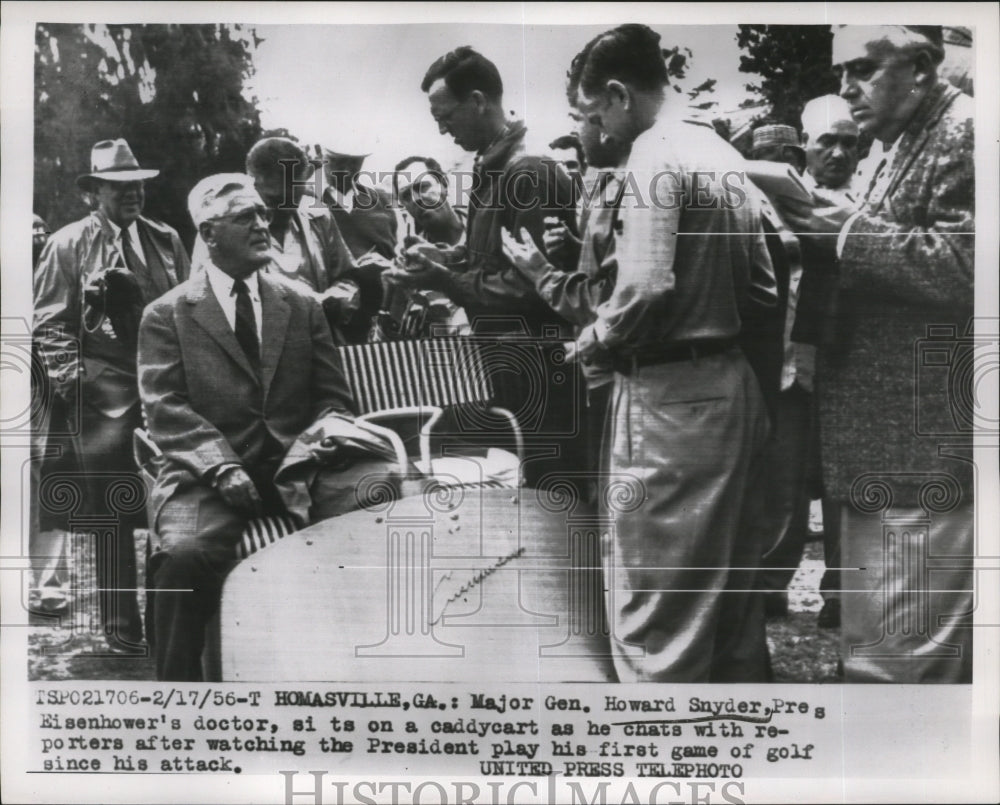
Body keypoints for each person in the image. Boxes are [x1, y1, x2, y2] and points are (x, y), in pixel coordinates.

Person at [564, 24, 777, 682]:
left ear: (620, 95)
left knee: (657, 617)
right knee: (732, 612)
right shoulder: (718, 150)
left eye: (591, 110)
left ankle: (657, 767)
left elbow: (648, 284)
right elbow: (768, 280)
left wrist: (594, 337)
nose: (593, 127)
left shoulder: (654, 155)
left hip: (665, 404)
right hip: (731, 388)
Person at [779, 25, 974, 682]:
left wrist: (847, 234)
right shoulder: (896, 144)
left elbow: (970, 266)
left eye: (862, 69)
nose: (846, 87)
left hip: (922, 446)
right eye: (841, 73)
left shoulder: (967, 133)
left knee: (898, 663)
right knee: (876, 654)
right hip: (885, 442)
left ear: (920, 68)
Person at [137, 174, 371, 681]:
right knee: (183, 556)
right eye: (247, 216)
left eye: (264, 213)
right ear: (209, 232)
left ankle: (358, 678)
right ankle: (177, 703)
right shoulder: (167, 313)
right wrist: (221, 466)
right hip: (208, 480)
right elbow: (166, 409)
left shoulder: (302, 303)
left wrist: (313, 448)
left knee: (381, 513)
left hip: (301, 470)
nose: (264, 224)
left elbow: (335, 400)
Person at [388, 45, 583, 488]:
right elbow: (489, 260)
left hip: (543, 370)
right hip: (516, 368)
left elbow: (537, 288)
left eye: (446, 115)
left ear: (478, 101)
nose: (441, 128)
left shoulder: (527, 171)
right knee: (532, 492)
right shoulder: (495, 168)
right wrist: (440, 257)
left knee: (554, 496)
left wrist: (445, 279)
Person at [33, 139, 190, 652]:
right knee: (112, 511)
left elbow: (187, 305)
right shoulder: (68, 243)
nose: (133, 193)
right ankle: (122, 629)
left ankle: (173, 623)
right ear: (93, 193)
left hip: (165, 384)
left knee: (174, 502)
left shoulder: (165, 239)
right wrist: (75, 378)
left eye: (138, 184)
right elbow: (49, 323)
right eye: (119, 186)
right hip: (101, 392)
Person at [500, 72, 631, 502]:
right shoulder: (604, 188)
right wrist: (577, 249)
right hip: (594, 360)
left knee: (607, 481)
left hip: (609, 356)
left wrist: (541, 270)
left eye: (582, 118)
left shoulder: (626, 185)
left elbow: (622, 291)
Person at [756, 96, 861, 627]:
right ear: (805, 147)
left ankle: (842, 594)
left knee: (846, 485)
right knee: (785, 478)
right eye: (828, 142)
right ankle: (772, 583)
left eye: (850, 143)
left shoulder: (868, 202)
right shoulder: (780, 200)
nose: (840, 153)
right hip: (794, 360)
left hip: (849, 364)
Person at [244, 137, 362, 335]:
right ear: (253, 185)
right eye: (275, 199)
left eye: (295, 198)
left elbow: (348, 277)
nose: (287, 209)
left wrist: (337, 300)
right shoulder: (228, 227)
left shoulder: (319, 216)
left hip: (320, 341)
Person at [318, 143, 398, 342]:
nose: (346, 169)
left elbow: (398, 258)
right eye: (338, 161)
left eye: (354, 162)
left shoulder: (382, 201)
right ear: (319, 152)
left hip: (378, 329)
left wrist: (388, 266)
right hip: (325, 330)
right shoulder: (302, 201)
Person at [392, 155, 466, 247]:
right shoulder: (414, 254)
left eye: (423, 187)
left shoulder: (485, 225)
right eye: (406, 196)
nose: (415, 200)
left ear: (444, 184)